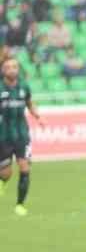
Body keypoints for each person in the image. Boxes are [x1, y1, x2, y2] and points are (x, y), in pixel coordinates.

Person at [0, 55, 41, 216]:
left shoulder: (24, 87)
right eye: (8, 67)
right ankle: (2, 181)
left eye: (15, 67)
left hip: (22, 135)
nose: (12, 70)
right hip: (3, 136)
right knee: (6, 172)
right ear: (3, 70)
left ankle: (20, 204)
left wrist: (37, 115)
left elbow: (30, 103)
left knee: (25, 167)